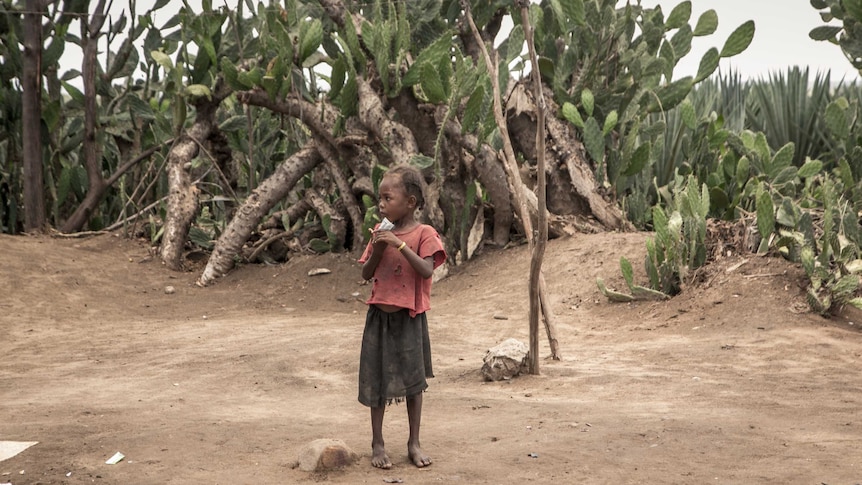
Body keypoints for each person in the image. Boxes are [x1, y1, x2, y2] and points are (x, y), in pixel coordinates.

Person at [357, 164, 447, 469]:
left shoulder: (424, 233)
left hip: (409, 317)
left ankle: (413, 442)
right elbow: (365, 273)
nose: (380, 204)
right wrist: (380, 248)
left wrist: (399, 244)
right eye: (379, 199)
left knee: (413, 381)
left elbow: (425, 270)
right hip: (378, 317)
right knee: (376, 381)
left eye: (387, 198)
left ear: (410, 202)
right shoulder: (380, 232)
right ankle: (377, 443)